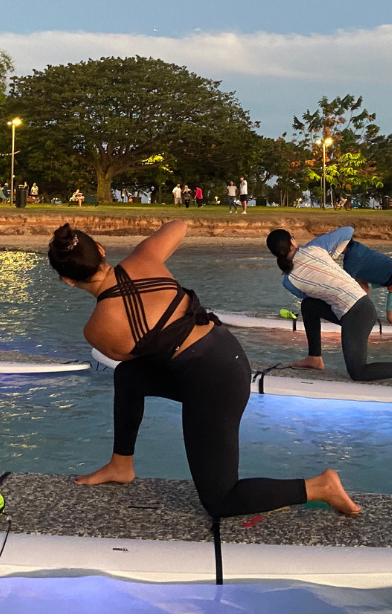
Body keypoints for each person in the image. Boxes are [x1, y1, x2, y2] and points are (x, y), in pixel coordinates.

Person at [49, 220, 361, 518]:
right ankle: (121, 465)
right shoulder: (144, 258)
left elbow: (142, 355)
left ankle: (320, 486)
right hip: (227, 353)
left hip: (214, 386)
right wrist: (146, 251)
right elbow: (179, 227)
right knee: (129, 378)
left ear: (67, 280)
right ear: (101, 249)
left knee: (221, 499)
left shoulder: (97, 330)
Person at [265, 226, 392, 384]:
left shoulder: (288, 282)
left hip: (358, 313)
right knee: (309, 306)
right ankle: (314, 358)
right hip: (358, 308)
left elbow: (315, 292)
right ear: (292, 241)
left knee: (358, 372)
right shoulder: (315, 247)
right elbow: (348, 231)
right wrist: (329, 256)